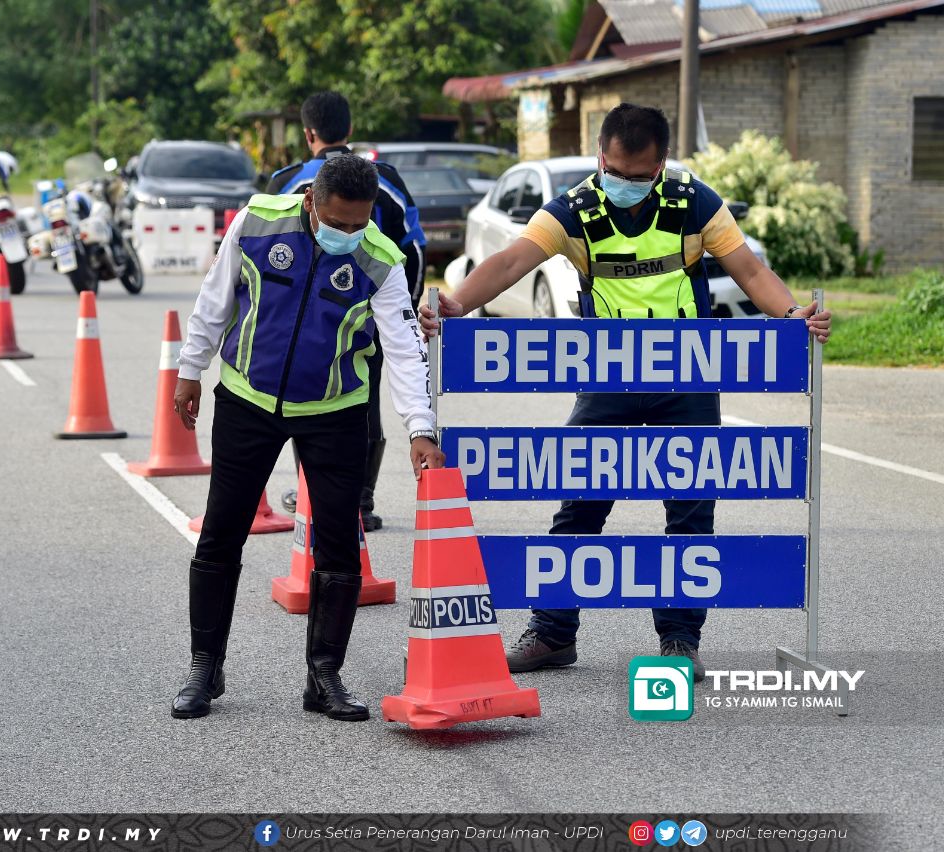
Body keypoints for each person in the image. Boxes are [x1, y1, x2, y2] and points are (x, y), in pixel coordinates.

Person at [419, 103, 832, 682]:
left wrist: (794, 315)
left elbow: (749, 271)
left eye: (639, 176)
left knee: (690, 512)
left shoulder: (695, 203)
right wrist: (458, 304)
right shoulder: (575, 210)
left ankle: (680, 642)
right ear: (599, 159)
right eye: (616, 171)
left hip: (688, 378)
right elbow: (514, 259)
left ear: (661, 164)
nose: (626, 185)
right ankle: (552, 634)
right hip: (607, 379)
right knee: (579, 504)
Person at [172, 154, 444, 721]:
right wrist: (189, 368)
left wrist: (421, 427)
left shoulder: (381, 259)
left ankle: (324, 677)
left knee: (340, 547)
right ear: (311, 202)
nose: (350, 233)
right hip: (248, 398)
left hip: (335, 411)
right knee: (222, 533)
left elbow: (402, 348)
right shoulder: (255, 222)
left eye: (359, 223)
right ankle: (205, 666)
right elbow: (214, 299)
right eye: (338, 222)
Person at [268, 91, 427, 532]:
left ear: (308, 134)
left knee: (304, 405)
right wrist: (403, 312)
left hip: (305, 328)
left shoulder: (284, 180)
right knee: (364, 404)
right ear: (350, 129)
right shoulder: (385, 178)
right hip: (370, 321)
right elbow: (414, 250)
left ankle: (312, 498)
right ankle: (361, 502)